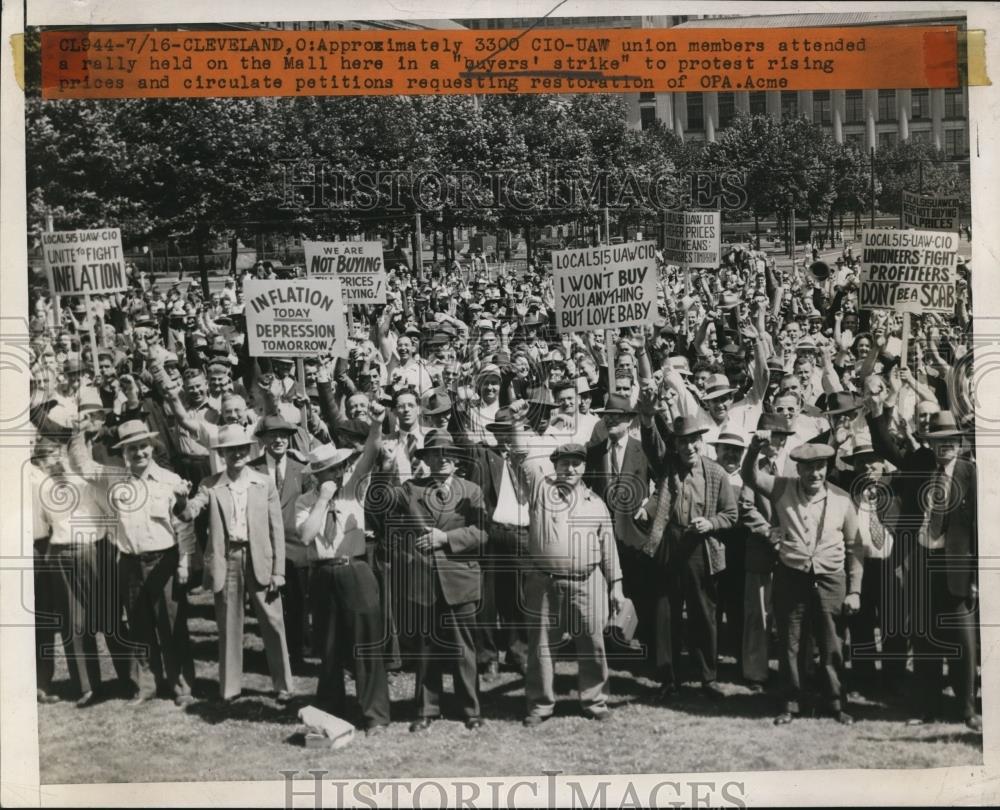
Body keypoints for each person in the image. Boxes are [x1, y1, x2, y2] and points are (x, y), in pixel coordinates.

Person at [371, 429, 488, 731]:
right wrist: (384, 467)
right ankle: (426, 709)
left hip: (460, 580)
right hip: (422, 580)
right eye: (435, 453)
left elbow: (483, 532)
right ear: (427, 458)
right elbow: (379, 502)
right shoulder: (411, 488)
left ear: (456, 459)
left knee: (465, 649)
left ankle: (471, 710)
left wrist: (445, 538)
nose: (442, 458)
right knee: (426, 650)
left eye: (447, 453)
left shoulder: (471, 490)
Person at [741, 439, 864, 725]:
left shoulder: (843, 499)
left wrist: (854, 590)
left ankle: (834, 702)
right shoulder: (782, 487)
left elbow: (855, 547)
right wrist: (754, 451)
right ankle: (790, 702)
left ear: (827, 468)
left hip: (831, 578)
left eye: (820, 468)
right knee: (790, 642)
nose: (814, 474)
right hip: (791, 575)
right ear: (798, 469)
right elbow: (750, 477)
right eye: (808, 468)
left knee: (832, 643)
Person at [510, 434, 624, 726]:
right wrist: (515, 423)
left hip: (588, 582)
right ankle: (540, 705)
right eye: (564, 464)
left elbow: (608, 545)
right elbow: (521, 458)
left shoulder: (596, 502)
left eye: (576, 464)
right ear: (555, 466)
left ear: (584, 468)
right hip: (543, 583)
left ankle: (594, 701)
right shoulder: (539, 489)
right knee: (541, 647)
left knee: (592, 643)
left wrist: (617, 587)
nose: (570, 470)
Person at [182, 424, 295, 704]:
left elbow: (276, 529)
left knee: (273, 622)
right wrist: (182, 501)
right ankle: (230, 689)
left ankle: (283, 686)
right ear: (222, 454)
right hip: (227, 559)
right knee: (230, 624)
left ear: (249, 450)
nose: (238, 454)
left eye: (242, 449)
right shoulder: (210, 484)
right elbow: (191, 510)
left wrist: (279, 571)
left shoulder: (264, 482)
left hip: (261, 559)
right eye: (231, 450)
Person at [295, 411, 390, 735]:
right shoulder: (306, 501)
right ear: (317, 474)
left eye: (338, 467)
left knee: (367, 646)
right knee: (330, 649)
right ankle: (332, 710)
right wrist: (322, 498)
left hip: (356, 571)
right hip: (322, 574)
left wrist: (377, 423)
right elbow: (307, 537)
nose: (336, 473)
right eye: (328, 470)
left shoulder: (353, 489)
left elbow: (371, 451)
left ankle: (375, 714)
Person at [639, 413, 738, 701]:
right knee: (666, 612)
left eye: (694, 441)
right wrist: (647, 509)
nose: (689, 448)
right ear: (676, 445)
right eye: (683, 442)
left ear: (701, 441)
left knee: (703, 613)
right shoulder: (668, 466)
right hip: (670, 542)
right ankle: (668, 677)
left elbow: (731, 515)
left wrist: (711, 524)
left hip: (701, 547)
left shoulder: (716, 473)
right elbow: (658, 487)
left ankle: (707, 677)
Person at [584, 393, 655, 665]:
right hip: (603, 538)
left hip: (635, 534)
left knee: (640, 593)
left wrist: (648, 508)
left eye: (616, 416)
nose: (610, 420)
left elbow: (664, 485)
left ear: (629, 420)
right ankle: (612, 651)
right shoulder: (594, 452)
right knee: (607, 595)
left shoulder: (643, 449)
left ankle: (647, 652)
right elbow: (585, 490)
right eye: (607, 415)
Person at [249, 415, 312, 671]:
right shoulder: (251, 469)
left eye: (283, 435)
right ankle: (274, 653)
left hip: (297, 549)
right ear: (262, 440)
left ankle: (296, 654)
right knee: (270, 604)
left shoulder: (302, 469)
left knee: (297, 605)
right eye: (272, 435)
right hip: (265, 548)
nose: (278, 440)